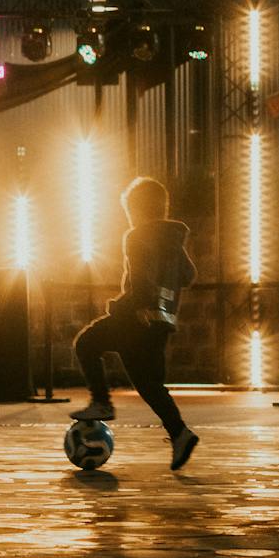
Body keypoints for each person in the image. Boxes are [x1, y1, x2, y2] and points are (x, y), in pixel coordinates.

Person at [68, 177, 201, 472]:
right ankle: (180, 433)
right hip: (162, 323)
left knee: (86, 343)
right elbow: (189, 276)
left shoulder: (136, 235)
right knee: (149, 385)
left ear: (135, 210)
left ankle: (101, 401)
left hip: (134, 318)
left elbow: (141, 281)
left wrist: (120, 306)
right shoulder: (174, 240)